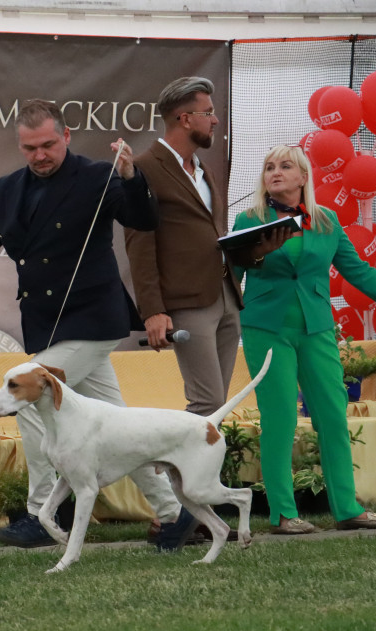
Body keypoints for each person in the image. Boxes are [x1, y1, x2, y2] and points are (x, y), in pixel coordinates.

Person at [0, 99, 199, 551]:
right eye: (30, 147)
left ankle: (41, 515)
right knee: (121, 430)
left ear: (67, 137)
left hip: (94, 320)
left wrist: (132, 178)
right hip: (47, 323)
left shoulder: (99, 175)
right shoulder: (5, 189)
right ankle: (175, 516)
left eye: (48, 145)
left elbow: (143, 218)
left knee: (28, 402)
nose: (40, 155)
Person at [228, 146, 376, 534]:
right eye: (269, 167)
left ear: (303, 177)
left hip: (317, 329)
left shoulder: (327, 221)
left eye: (285, 166)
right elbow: (231, 272)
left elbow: (357, 271)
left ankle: (347, 508)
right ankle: (283, 514)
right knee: (280, 418)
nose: (275, 173)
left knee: (332, 414)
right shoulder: (249, 218)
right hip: (266, 327)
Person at [125, 76, 242, 419]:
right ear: (185, 119)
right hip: (187, 304)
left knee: (218, 407)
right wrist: (153, 311)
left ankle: (205, 475)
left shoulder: (203, 170)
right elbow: (139, 244)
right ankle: (180, 475)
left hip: (225, 297)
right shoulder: (145, 168)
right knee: (206, 402)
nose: (215, 120)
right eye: (207, 112)